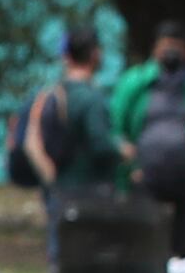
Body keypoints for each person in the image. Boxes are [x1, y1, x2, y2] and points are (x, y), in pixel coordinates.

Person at [9, 23, 114, 249]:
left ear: (66, 56)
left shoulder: (45, 95)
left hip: (55, 192)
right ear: (95, 54)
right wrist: (124, 152)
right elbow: (102, 146)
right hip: (89, 194)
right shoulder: (92, 99)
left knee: (62, 254)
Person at [110, 26, 185, 236]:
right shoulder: (135, 81)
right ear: (155, 49)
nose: (172, 51)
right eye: (167, 46)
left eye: (178, 47)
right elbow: (115, 128)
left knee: (183, 242)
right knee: (145, 240)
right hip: (144, 178)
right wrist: (130, 166)